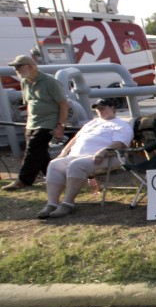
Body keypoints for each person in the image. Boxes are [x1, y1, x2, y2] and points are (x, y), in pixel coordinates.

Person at [36, 98, 133, 218]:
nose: (99, 111)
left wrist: (103, 152)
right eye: (97, 109)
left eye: (103, 108)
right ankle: (52, 203)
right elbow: (76, 139)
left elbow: (121, 143)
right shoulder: (92, 123)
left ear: (113, 108)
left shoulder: (121, 124)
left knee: (76, 165)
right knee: (54, 164)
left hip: (106, 157)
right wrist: (64, 152)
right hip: (76, 155)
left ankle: (68, 203)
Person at [3, 55, 69, 191]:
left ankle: (23, 180)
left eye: (19, 67)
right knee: (40, 153)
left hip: (48, 121)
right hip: (32, 122)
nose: (17, 70)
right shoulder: (25, 82)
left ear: (31, 66)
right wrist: (27, 123)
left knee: (33, 150)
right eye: (15, 68)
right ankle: (55, 177)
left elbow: (63, 104)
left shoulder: (49, 81)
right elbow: (30, 104)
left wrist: (60, 125)